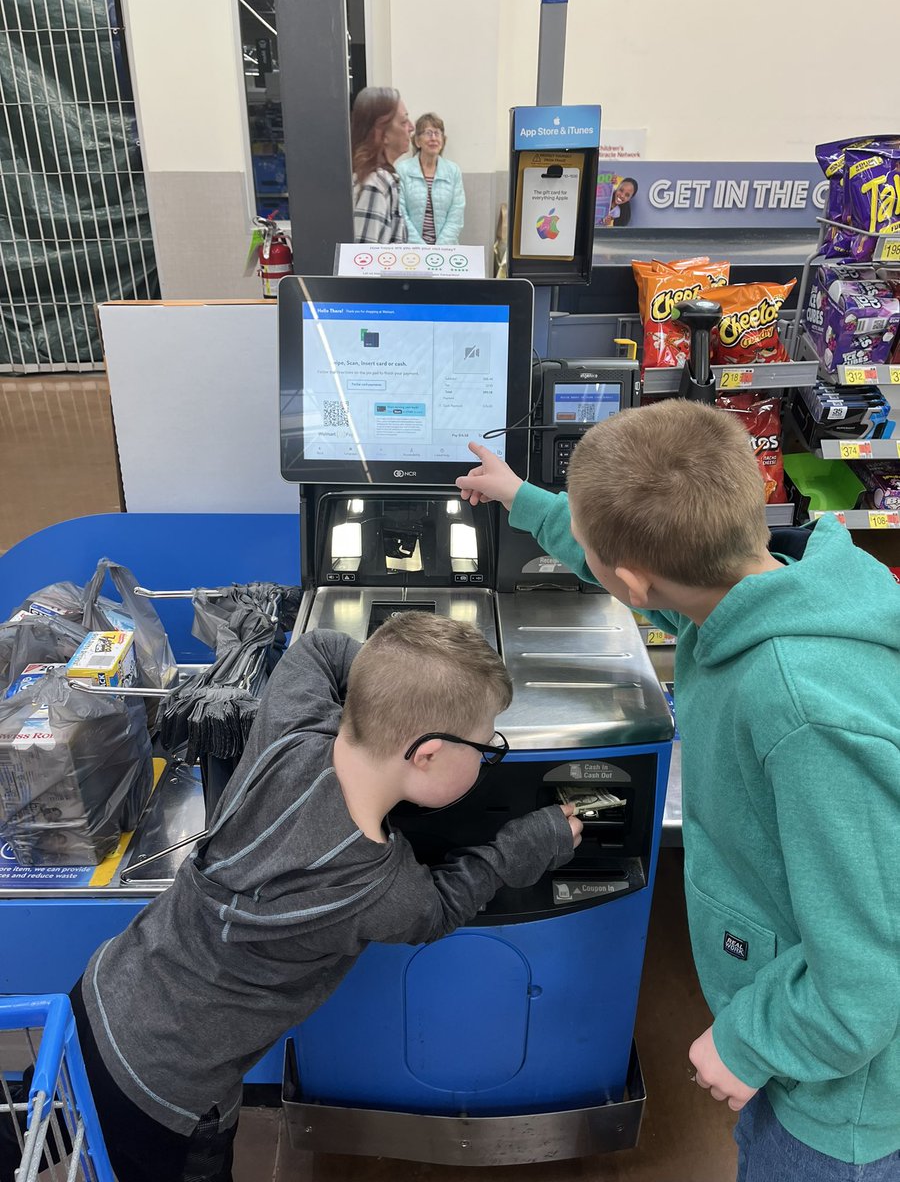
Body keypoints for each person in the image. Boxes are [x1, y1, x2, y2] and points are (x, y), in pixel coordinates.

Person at [455, 399, 900, 1180]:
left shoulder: (802, 715)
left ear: (630, 581)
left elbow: (867, 970)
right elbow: (629, 560)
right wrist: (521, 498)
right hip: (805, 1029)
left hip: (845, 1106)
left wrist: (749, 1044)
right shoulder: (761, 585)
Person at [62, 613, 582, 1182]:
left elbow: (317, 648)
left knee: (44, 1123)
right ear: (428, 753)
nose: (486, 755)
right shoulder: (382, 889)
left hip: (104, 989)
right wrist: (523, 847)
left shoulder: (291, 725)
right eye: (485, 745)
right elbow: (441, 909)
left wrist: (391, 692)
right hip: (168, 1093)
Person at [350, 86, 414, 244]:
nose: (411, 127)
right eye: (403, 122)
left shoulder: (384, 179)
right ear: (381, 134)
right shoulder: (375, 184)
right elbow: (363, 255)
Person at [397, 113, 465, 244]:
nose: (433, 138)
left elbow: (456, 214)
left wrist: (439, 249)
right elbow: (401, 214)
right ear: (417, 141)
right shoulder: (402, 170)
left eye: (437, 133)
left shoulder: (453, 171)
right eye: (428, 133)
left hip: (446, 249)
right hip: (410, 249)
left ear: (443, 140)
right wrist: (421, 248)